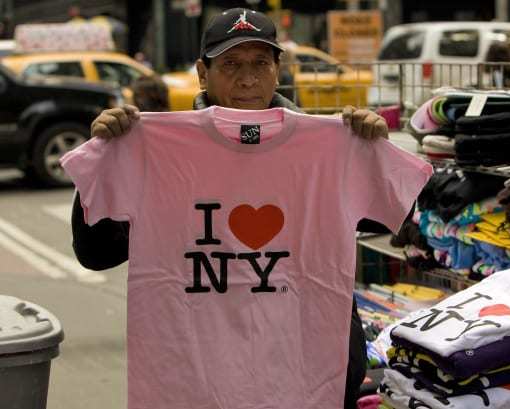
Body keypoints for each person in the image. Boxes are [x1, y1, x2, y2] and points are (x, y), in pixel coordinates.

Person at [71, 7, 391, 409]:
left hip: (308, 374)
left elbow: (397, 223)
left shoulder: (326, 148)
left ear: (278, 69)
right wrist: (107, 165)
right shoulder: (159, 153)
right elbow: (96, 253)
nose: (247, 78)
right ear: (202, 73)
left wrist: (372, 149)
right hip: (201, 380)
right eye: (231, 64)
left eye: (260, 63)